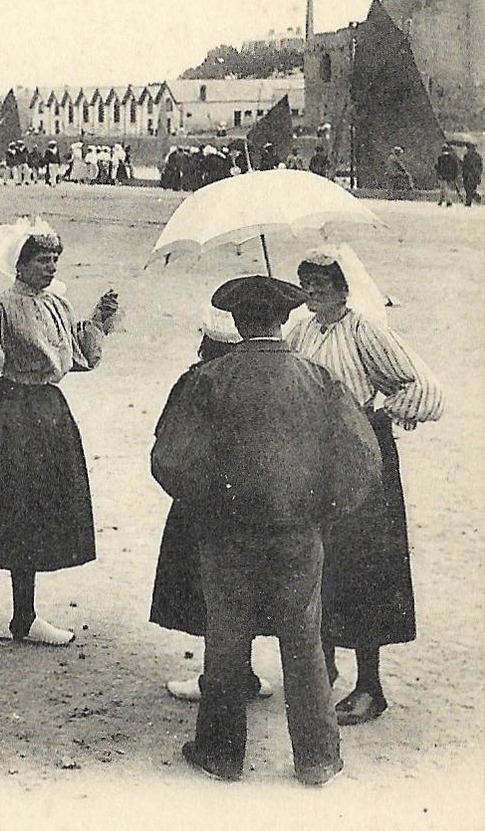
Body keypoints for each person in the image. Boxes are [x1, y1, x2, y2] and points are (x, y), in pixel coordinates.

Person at [152, 275, 380, 786]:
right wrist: (320, 510)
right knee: (304, 640)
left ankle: (221, 754)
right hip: (299, 535)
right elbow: (364, 459)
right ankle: (317, 758)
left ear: (235, 322)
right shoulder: (318, 380)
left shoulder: (206, 380)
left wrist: (210, 506)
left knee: (227, 639)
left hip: (226, 536)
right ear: (283, 321)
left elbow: (168, 460)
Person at [0, 218, 120, 656]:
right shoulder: (1, 305)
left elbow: (78, 357)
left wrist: (99, 322)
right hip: (5, 415)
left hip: (48, 416)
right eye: (41, 260)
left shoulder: (58, 305)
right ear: (20, 263)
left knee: (32, 516)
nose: (50, 267)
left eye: (54, 259)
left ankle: (25, 616)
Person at [287, 247, 443, 726]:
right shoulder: (303, 329)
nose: (313, 290)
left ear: (343, 286)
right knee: (320, 563)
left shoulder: (364, 329)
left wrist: (379, 413)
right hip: (317, 458)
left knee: (365, 567)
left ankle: (370, 686)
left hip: (361, 458)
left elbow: (412, 382)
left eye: (322, 283)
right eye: (307, 281)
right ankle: (326, 665)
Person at [149, 310, 274, 702]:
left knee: (211, 595)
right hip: (255, 504)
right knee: (250, 590)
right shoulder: (262, 379)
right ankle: (246, 673)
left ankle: (214, 679)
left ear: (206, 343)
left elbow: (167, 445)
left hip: (203, 506)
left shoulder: (194, 382)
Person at [432, 142, 461, 206]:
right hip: (449, 175)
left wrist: (436, 168)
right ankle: (440, 200)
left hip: (442, 175)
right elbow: (455, 167)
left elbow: (440, 167)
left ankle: (448, 201)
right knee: (443, 188)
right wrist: (454, 175)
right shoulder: (452, 158)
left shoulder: (441, 158)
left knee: (444, 188)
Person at [459, 142, 483, 206]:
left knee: (468, 188)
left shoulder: (467, 156)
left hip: (469, 175)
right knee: (469, 188)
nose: (468, 150)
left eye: (468, 148)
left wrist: (461, 164)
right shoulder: (478, 156)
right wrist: (479, 174)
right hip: (474, 175)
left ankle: (474, 197)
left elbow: (465, 166)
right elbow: (480, 166)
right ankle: (469, 201)